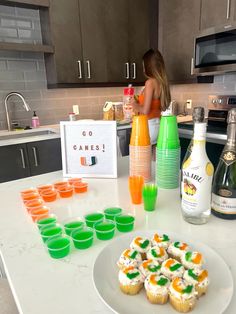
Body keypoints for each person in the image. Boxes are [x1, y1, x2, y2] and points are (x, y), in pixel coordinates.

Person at [132, 48, 171, 145]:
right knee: (154, 158)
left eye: (143, 65)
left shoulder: (149, 83)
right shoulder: (162, 83)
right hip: (158, 126)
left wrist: (134, 105)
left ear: (148, 67)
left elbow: (145, 110)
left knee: (143, 159)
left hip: (148, 127)